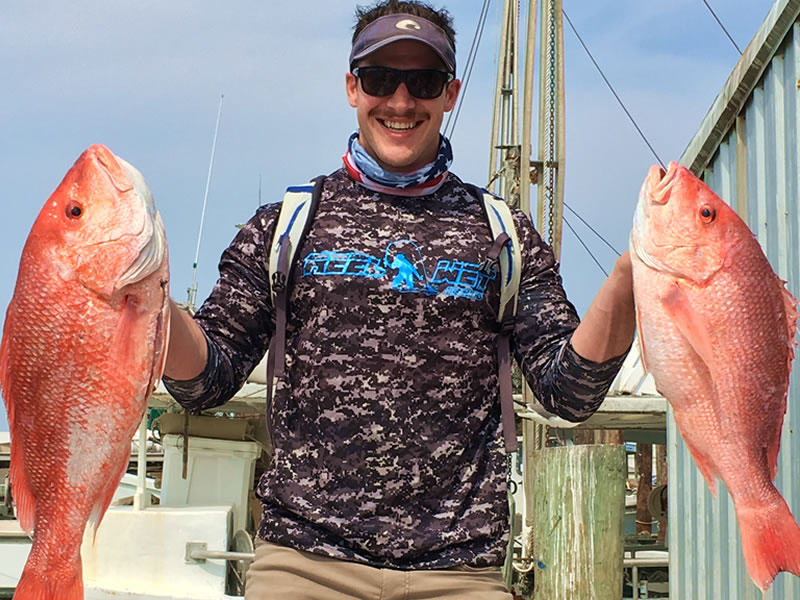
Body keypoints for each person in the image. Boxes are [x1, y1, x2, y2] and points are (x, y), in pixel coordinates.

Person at [162, 1, 636, 598]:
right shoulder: (286, 225)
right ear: (352, 87)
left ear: (451, 92)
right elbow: (204, 381)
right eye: (382, 78)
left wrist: (629, 280)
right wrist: (148, 301)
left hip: (459, 572)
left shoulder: (501, 232)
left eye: (425, 80)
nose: (402, 101)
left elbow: (569, 393)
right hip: (305, 564)